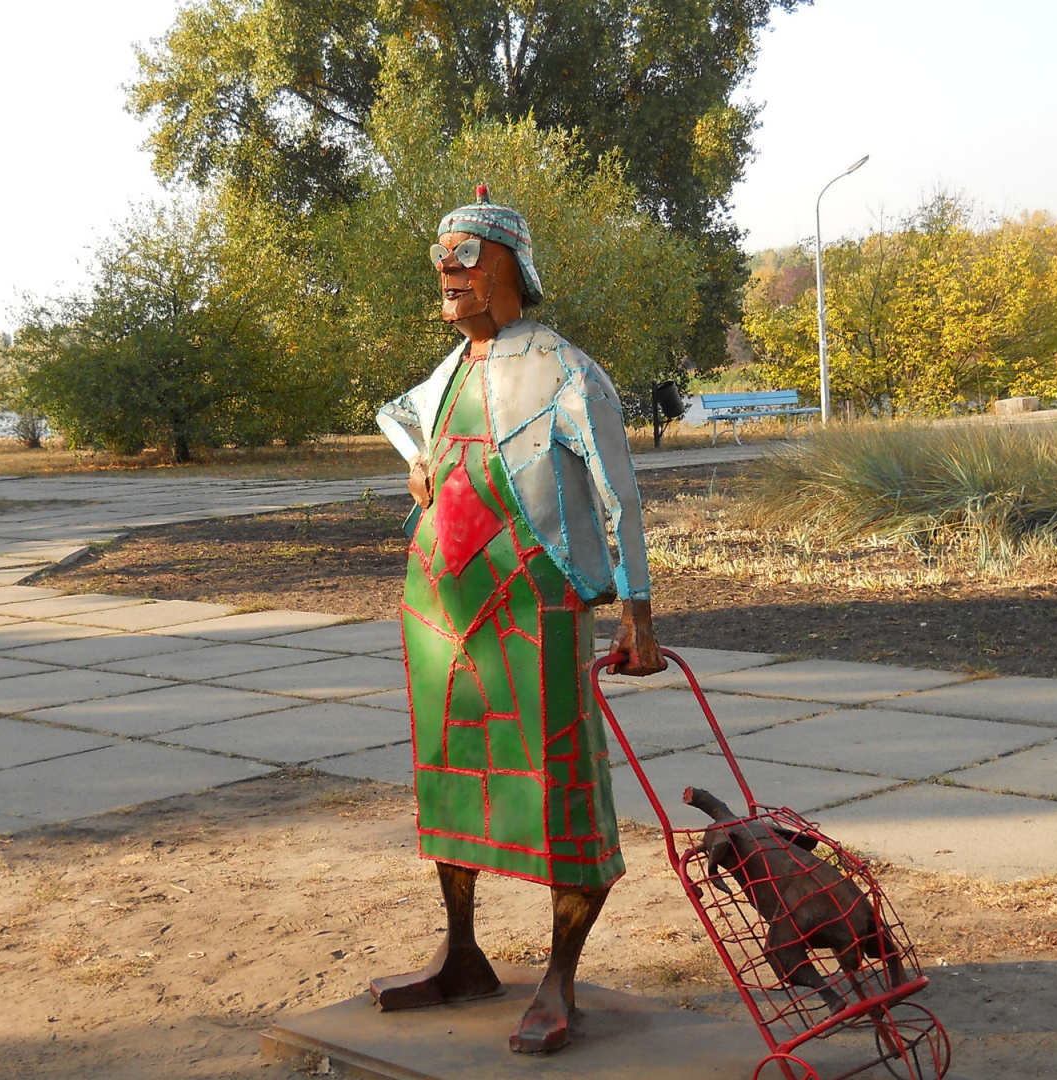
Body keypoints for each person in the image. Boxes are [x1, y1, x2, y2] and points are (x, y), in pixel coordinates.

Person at [370, 187, 665, 1054]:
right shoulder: (449, 372)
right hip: (439, 603)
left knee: (559, 788)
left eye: (466, 255)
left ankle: (559, 978)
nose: (448, 271)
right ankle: (462, 955)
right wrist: (416, 460)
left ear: (510, 267)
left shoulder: (567, 371)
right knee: (450, 773)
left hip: (537, 603)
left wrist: (638, 612)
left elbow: (619, 495)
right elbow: (398, 417)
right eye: (441, 258)